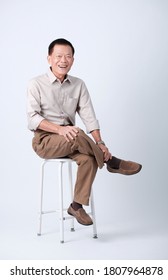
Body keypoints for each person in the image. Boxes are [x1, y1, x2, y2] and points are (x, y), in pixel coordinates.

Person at [27, 38, 142, 226]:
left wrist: (101, 143)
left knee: (88, 159)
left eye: (68, 56)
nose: (63, 60)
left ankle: (76, 206)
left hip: (73, 141)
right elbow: (32, 119)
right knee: (76, 132)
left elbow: (89, 116)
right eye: (58, 56)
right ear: (49, 59)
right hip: (45, 141)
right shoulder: (36, 84)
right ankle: (111, 162)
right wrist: (60, 129)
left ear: (73, 60)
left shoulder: (78, 84)